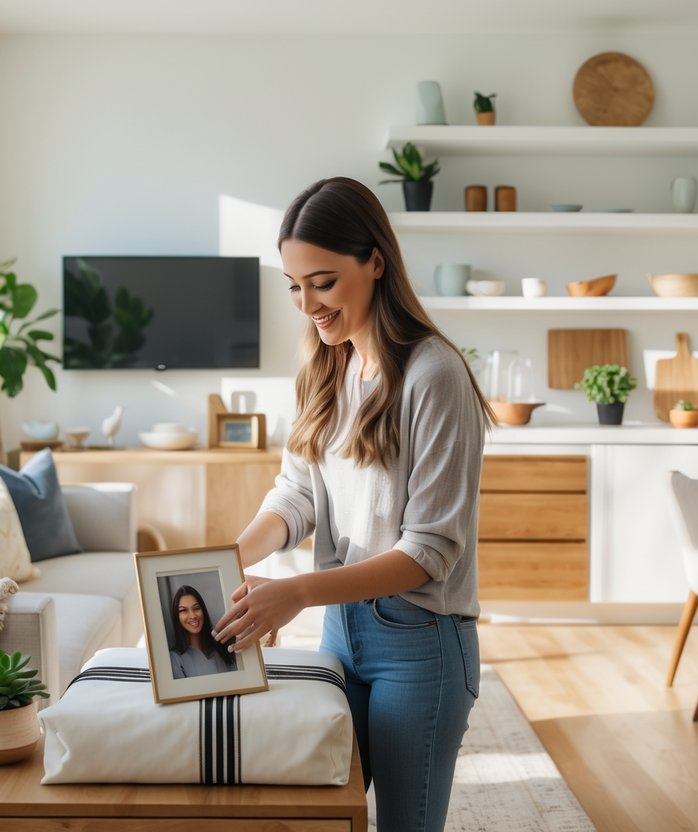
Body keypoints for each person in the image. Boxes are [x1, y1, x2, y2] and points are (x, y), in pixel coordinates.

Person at [212, 176, 491, 832]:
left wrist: (299, 591)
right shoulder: (325, 368)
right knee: (322, 816)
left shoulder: (434, 376)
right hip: (342, 633)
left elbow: (428, 553)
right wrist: (227, 558)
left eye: (323, 281)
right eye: (293, 284)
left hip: (419, 642)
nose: (306, 303)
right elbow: (296, 494)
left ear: (374, 261)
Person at [168, 584, 236, 679]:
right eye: (184, 610)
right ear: (177, 617)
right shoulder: (174, 658)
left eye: (196, 608)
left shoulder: (223, 646)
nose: (193, 616)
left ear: (203, 610)